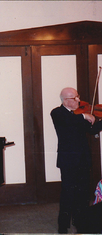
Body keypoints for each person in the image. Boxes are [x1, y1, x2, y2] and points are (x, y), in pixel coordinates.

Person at [50, 87, 102, 234]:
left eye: (78, 96)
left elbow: (92, 130)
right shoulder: (57, 113)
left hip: (83, 159)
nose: (79, 100)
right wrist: (84, 116)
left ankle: (81, 221)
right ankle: (63, 224)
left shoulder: (79, 114)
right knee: (68, 192)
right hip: (68, 160)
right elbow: (69, 121)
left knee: (83, 193)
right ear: (66, 100)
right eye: (75, 98)